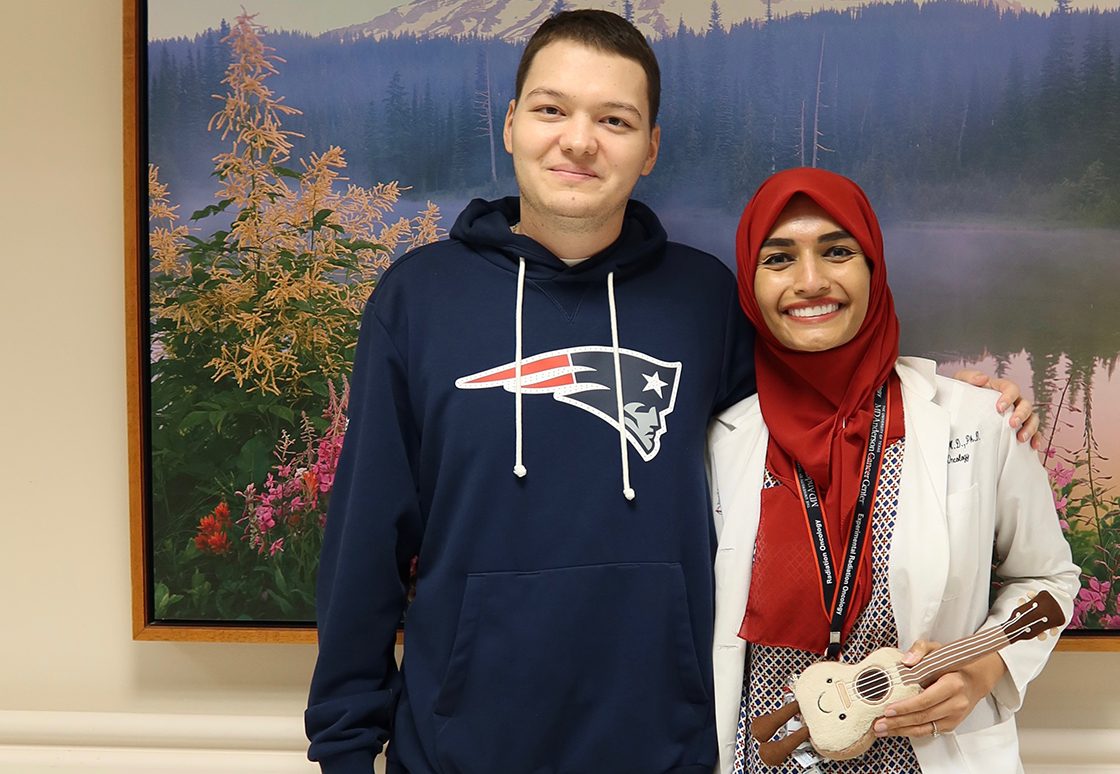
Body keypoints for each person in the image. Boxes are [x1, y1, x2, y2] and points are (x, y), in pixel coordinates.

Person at [306, 11, 1038, 774]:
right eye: (553, 109)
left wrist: (940, 394)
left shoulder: (703, 299)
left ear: (650, 146)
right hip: (460, 752)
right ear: (512, 123)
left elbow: (817, 394)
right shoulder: (418, 300)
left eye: (614, 120)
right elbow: (365, 545)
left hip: (672, 749)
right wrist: (345, 749)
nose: (580, 141)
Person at [708, 168, 1080, 773]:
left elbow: (1048, 579)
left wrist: (984, 670)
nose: (811, 281)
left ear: (873, 268)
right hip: (764, 758)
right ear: (750, 286)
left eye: (837, 251)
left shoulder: (978, 421)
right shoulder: (720, 442)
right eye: (778, 259)